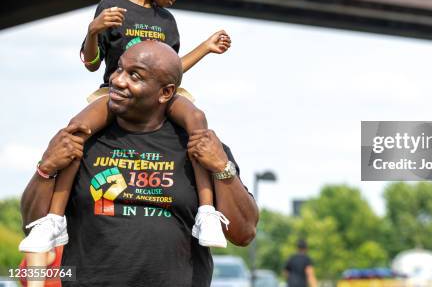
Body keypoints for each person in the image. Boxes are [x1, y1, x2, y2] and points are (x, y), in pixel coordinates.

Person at [19, 0, 231, 259]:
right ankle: (53, 219)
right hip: (114, 93)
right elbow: (91, 63)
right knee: (76, 131)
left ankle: (208, 212)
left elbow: (171, 71)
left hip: (159, 96)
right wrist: (93, 31)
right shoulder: (111, 7)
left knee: (197, 120)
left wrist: (205, 48)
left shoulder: (167, 22)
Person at [20, 41, 259, 286]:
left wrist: (222, 169)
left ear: (165, 92)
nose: (118, 80)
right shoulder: (82, 140)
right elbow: (31, 226)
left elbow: (244, 233)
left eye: (135, 76)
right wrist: (45, 168)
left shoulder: (199, 145)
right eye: (119, 69)